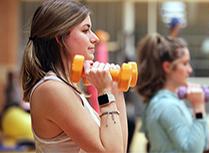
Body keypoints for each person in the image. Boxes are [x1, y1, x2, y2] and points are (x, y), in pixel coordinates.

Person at [20, 0, 128, 152]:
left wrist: (116, 89)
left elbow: (120, 147)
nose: (95, 38)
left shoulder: (67, 87)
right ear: (60, 38)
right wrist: (105, 93)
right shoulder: (52, 89)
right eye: (85, 30)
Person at [136, 33, 209, 153]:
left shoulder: (171, 100)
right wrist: (198, 106)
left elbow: (205, 142)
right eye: (184, 63)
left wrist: (197, 108)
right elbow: (194, 150)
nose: (190, 69)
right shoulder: (167, 106)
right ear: (167, 67)